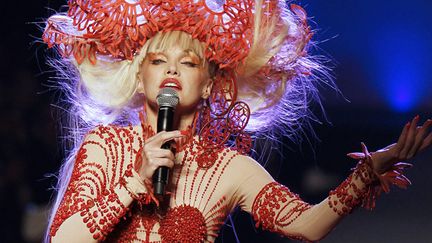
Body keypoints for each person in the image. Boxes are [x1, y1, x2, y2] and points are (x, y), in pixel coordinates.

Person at [42, 0, 432, 242]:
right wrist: (134, 181)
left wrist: (366, 174)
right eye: (158, 60)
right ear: (140, 77)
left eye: (189, 62)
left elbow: (306, 224)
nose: (172, 69)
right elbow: (63, 239)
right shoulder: (105, 147)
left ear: (211, 83)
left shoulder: (230, 169)